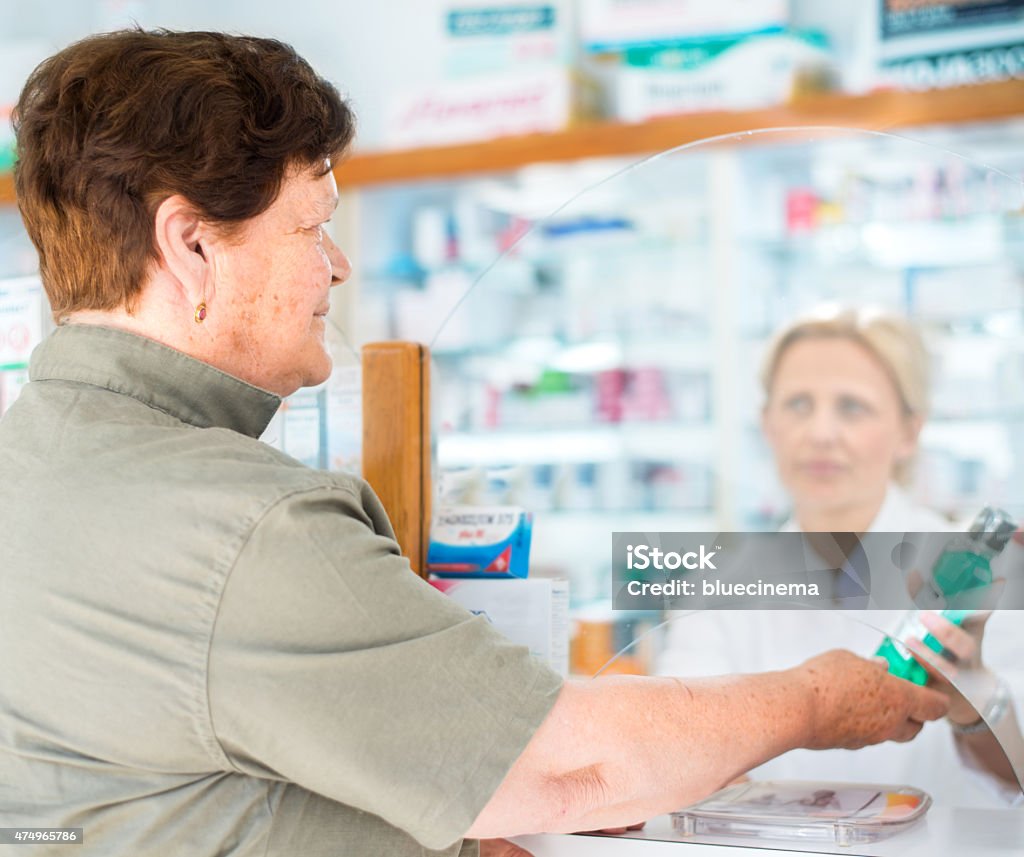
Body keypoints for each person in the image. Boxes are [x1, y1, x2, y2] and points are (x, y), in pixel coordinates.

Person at [0, 31, 950, 857]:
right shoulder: (244, 527)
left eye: (856, 407)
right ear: (191, 246)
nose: (338, 264)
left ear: (912, 426)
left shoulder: (31, 464)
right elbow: (571, 765)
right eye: (313, 228)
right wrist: (821, 701)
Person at [659, 306, 1023, 806]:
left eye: (853, 407)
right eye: (798, 404)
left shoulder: (974, 579)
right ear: (767, 425)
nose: (821, 433)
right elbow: (677, 747)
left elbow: (1016, 779)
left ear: (909, 431)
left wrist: (976, 705)